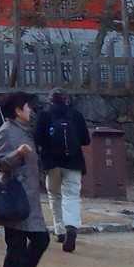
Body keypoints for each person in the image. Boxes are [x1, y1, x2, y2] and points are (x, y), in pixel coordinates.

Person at [0, 92, 50, 267]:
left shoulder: (24, 130)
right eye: (27, 107)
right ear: (18, 110)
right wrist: (17, 154)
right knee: (16, 246)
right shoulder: (6, 131)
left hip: (29, 197)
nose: (30, 110)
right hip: (15, 198)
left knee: (40, 239)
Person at [34, 88, 91, 253]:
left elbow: (37, 138)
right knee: (71, 195)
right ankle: (71, 226)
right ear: (67, 100)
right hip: (73, 162)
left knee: (55, 195)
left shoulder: (44, 115)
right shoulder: (76, 115)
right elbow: (85, 140)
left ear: (50, 100)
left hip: (52, 163)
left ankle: (59, 230)